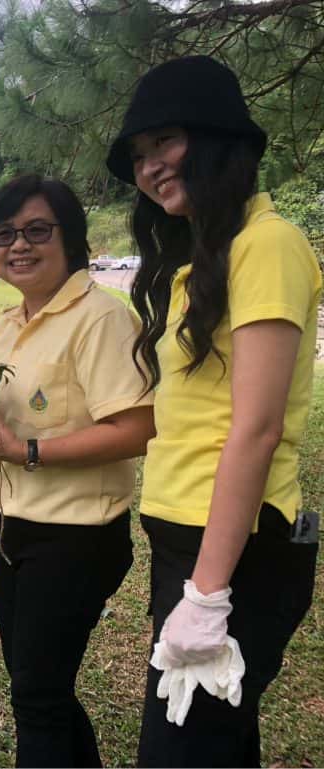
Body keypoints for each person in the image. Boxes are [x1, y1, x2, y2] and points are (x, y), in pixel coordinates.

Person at [105, 55, 321, 767]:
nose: (148, 166)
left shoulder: (269, 244)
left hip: (236, 552)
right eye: (139, 155)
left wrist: (207, 590)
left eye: (163, 141)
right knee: (218, 748)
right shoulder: (202, 259)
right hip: (191, 545)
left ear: (217, 135)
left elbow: (255, 427)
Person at [0, 175, 156, 767]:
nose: (19, 245)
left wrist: (29, 453)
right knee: (38, 684)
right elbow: (1, 420)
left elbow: (136, 429)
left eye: (37, 230)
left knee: (37, 695)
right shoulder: (8, 324)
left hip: (77, 537)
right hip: (15, 527)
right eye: (4, 234)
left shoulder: (101, 319)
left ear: (71, 238)